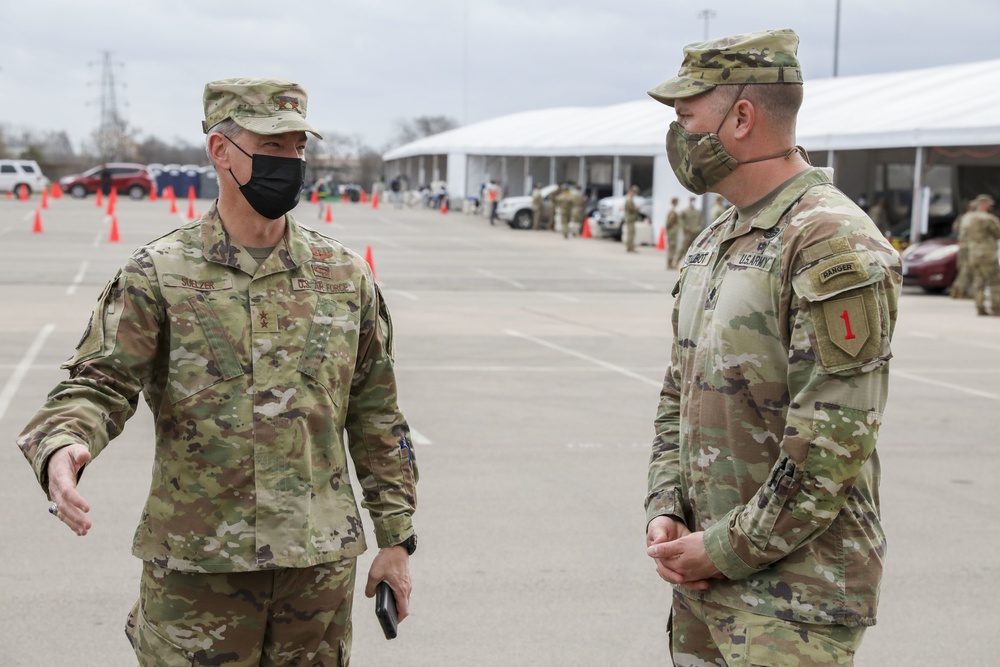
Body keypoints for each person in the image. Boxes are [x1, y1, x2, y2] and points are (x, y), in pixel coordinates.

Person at [16, 78, 418, 666]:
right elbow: (98, 383)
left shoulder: (344, 277)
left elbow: (377, 415)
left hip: (317, 573)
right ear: (220, 151)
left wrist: (397, 539)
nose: (288, 162)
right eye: (272, 146)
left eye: (296, 149)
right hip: (197, 575)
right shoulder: (160, 274)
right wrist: (64, 444)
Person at [644, 29, 901, 666]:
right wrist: (666, 506)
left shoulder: (827, 240)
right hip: (708, 583)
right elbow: (680, 390)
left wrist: (725, 548)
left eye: (685, 117)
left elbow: (832, 443)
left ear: (741, 117)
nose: (678, 136)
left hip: (795, 600)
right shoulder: (716, 240)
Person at [958, 193, 1000, 316]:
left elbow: (962, 236)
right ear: (984, 205)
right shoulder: (988, 218)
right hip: (987, 254)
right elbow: (998, 234)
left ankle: (980, 307)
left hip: (973, 254)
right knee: (995, 282)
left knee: (978, 281)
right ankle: (996, 308)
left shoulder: (967, 218)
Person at [950, 200, 975, 299]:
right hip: (969, 246)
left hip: (963, 245)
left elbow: (955, 229)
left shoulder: (962, 217)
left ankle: (958, 291)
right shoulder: (972, 218)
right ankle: (959, 292)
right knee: (966, 270)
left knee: (963, 269)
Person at [677, 196, 703, 263]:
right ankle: (677, 261)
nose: (693, 202)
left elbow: (701, 220)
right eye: (691, 200)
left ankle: (691, 262)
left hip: (696, 232)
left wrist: (699, 227)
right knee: (684, 247)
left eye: (693, 200)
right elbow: (680, 219)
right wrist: (685, 227)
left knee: (695, 248)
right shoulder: (685, 211)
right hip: (688, 232)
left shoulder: (697, 211)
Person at [623, 184, 640, 252]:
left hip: (631, 218)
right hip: (630, 218)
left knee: (632, 233)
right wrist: (636, 208)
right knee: (631, 233)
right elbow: (630, 208)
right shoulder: (629, 198)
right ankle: (629, 247)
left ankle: (630, 246)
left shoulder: (630, 198)